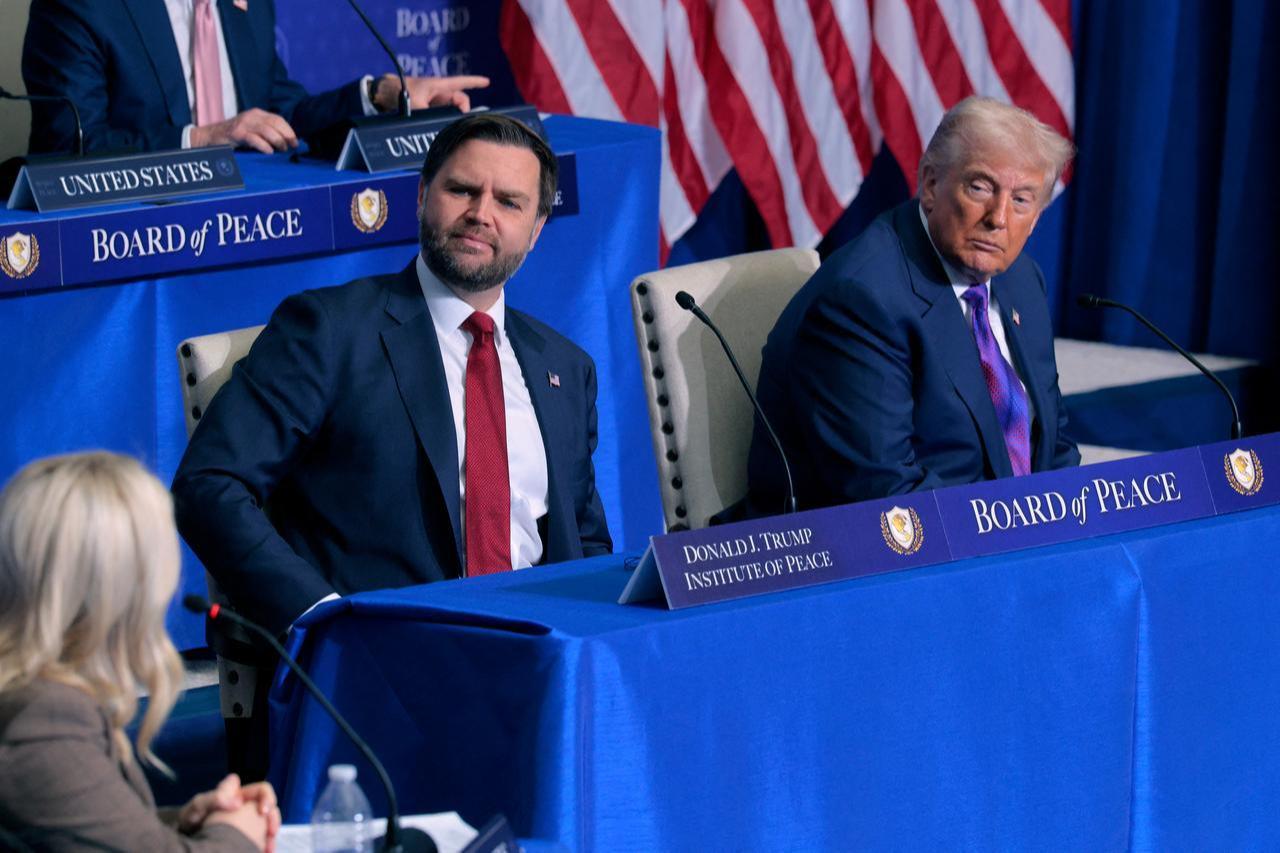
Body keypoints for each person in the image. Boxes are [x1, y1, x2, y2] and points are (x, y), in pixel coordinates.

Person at [173, 111, 612, 634]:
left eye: (509, 202)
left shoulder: (564, 367)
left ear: (537, 229)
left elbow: (585, 544)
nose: (480, 213)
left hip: (541, 657)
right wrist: (322, 618)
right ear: (423, 195)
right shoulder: (328, 330)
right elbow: (209, 484)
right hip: (386, 660)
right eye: (463, 190)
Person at [744, 96, 1081, 515]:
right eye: (980, 187)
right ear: (931, 185)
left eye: (1021, 200)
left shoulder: (1020, 279)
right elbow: (885, 493)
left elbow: (1051, 443)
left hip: (1001, 544)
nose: (998, 218)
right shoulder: (863, 300)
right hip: (877, 557)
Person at [0, 451, 281, 851]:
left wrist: (183, 823)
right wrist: (236, 834)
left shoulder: (31, 697)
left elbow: (64, 832)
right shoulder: (42, 719)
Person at [22, 0, 489, 155]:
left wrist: (381, 94)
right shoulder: (81, 5)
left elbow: (279, 114)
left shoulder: (245, 5)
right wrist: (203, 138)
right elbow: (70, 145)